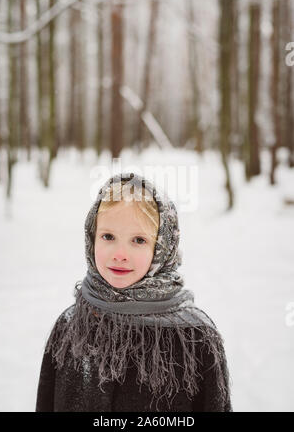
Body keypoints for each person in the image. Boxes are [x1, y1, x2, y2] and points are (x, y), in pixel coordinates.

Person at [35, 172, 233, 412]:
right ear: (92, 237)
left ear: (162, 246)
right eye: (108, 236)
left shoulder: (195, 337)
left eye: (138, 240)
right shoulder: (70, 328)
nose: (120, 254)